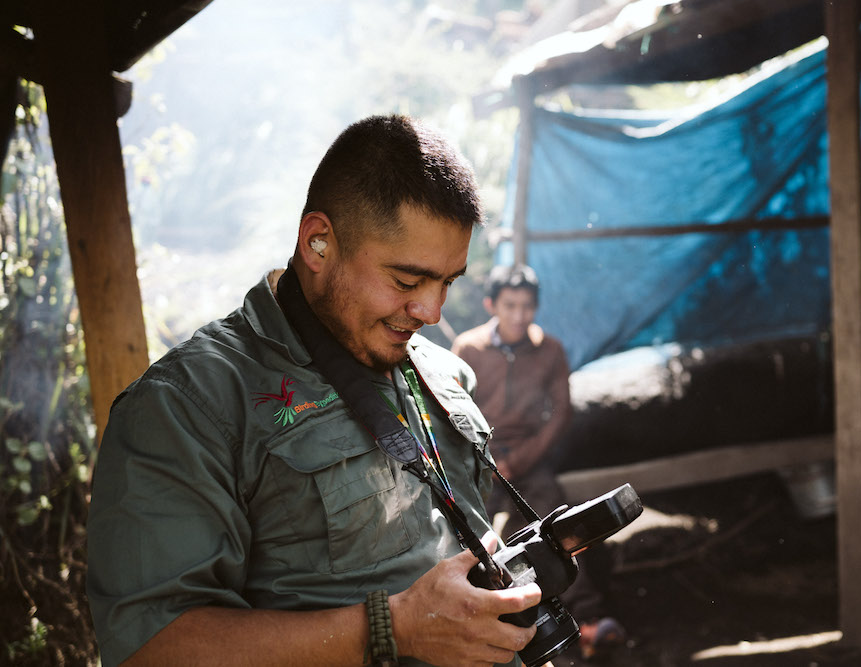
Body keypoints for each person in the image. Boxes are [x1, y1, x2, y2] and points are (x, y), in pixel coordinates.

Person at [86, 115, 548, 667]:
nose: (432, 312)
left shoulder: (437, 370)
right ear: (318, 243)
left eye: (447, 282)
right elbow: (151, 647)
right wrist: (391, 629)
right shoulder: (189, 406)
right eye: (406, 281)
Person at [451, 265, 625, 660]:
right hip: (478, 460)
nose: (518, 315)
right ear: (490, 304)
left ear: (536, 307)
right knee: (465, 536)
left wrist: (522, 460)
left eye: (527, 306)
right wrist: (486, 460)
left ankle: (587, 623)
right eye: (509, 305)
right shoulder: (469, 348)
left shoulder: (551, 349)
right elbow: (452, 411)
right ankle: (471, 628)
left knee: (556, 531)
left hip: (530, 462)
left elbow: (560, 414)